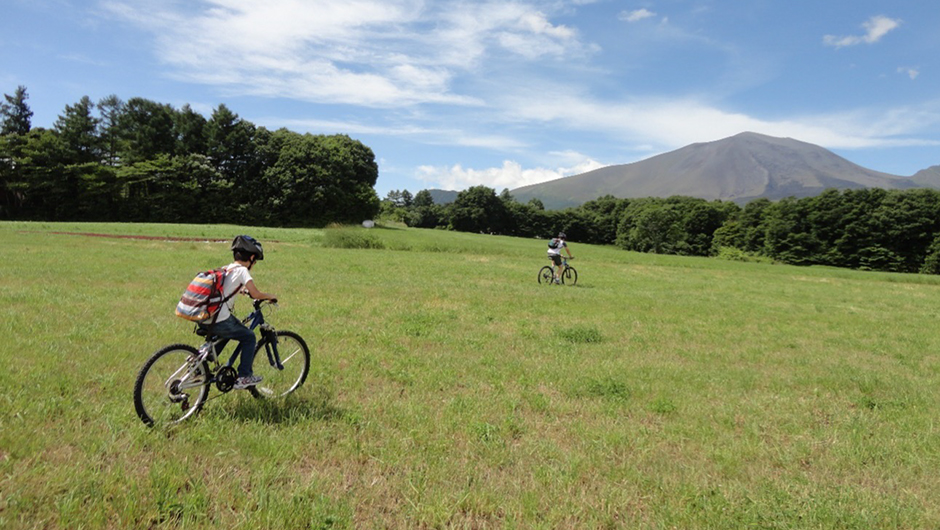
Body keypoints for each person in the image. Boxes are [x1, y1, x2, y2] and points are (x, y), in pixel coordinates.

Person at [201, 235, 278, 389]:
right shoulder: (243, 271)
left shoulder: (227, 268)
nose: (254, 264)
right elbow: (256, 294)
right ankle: (244, 377)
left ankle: (200, 363)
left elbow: (228, 287)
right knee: (249, 337)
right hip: (220, 318)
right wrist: (270, 296)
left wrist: (242, 290)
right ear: (250, 257)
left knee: (226, 333)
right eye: (255, 261)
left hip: (204, 315)